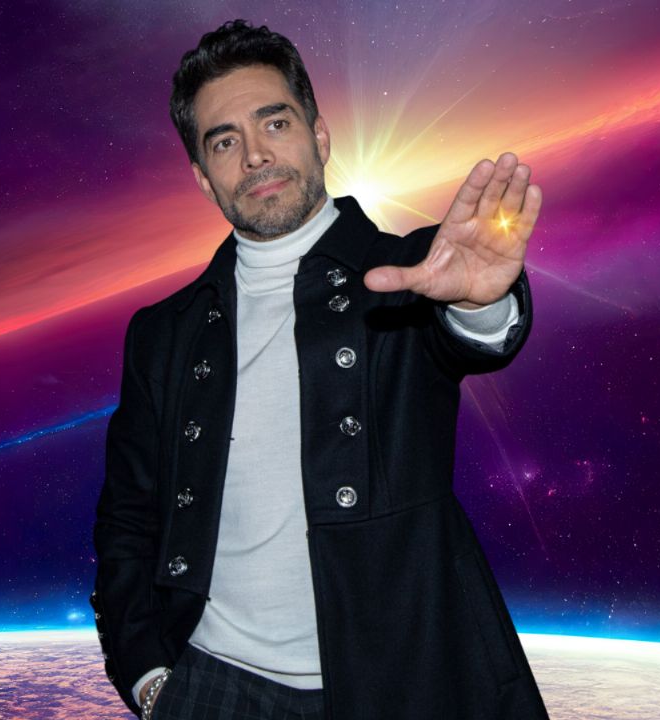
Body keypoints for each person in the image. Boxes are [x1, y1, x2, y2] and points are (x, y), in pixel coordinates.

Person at [91, 18, 548, 720]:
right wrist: (150, 677)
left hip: (400, 680)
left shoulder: (409, 273)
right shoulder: (163, 334)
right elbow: (128, 516)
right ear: (204, 178)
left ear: (320, 136)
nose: (255, 155)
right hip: (214, 683)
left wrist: (479, 304)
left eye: (274, 123)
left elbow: (472, 339)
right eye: (225, 141)